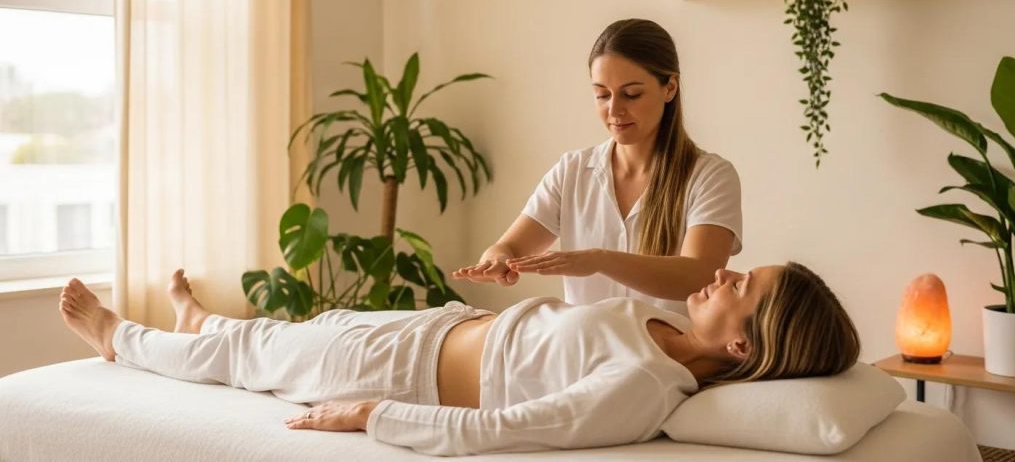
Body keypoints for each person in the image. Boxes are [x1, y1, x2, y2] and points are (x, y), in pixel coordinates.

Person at [59, 263, 859, 456]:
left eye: (740, 284)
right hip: (437, 327)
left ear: (743, 344)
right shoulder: (661, 321)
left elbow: (510, 426)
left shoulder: (649, 384)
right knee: (287, 330)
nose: (722, 274)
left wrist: (374, 414)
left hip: (401, 373)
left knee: (255, 351)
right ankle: (203, 324)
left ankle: (115, 336)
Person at [453, 19, 742, 315]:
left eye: (632, 94)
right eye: (602, 94)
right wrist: (496, 259)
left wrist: (601, 260)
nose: (614, 110)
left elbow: (698, 275)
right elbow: (509, 248)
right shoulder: (573, 170)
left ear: (669, 87)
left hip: (665, 354)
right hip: (585, 351)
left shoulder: (710, 176)